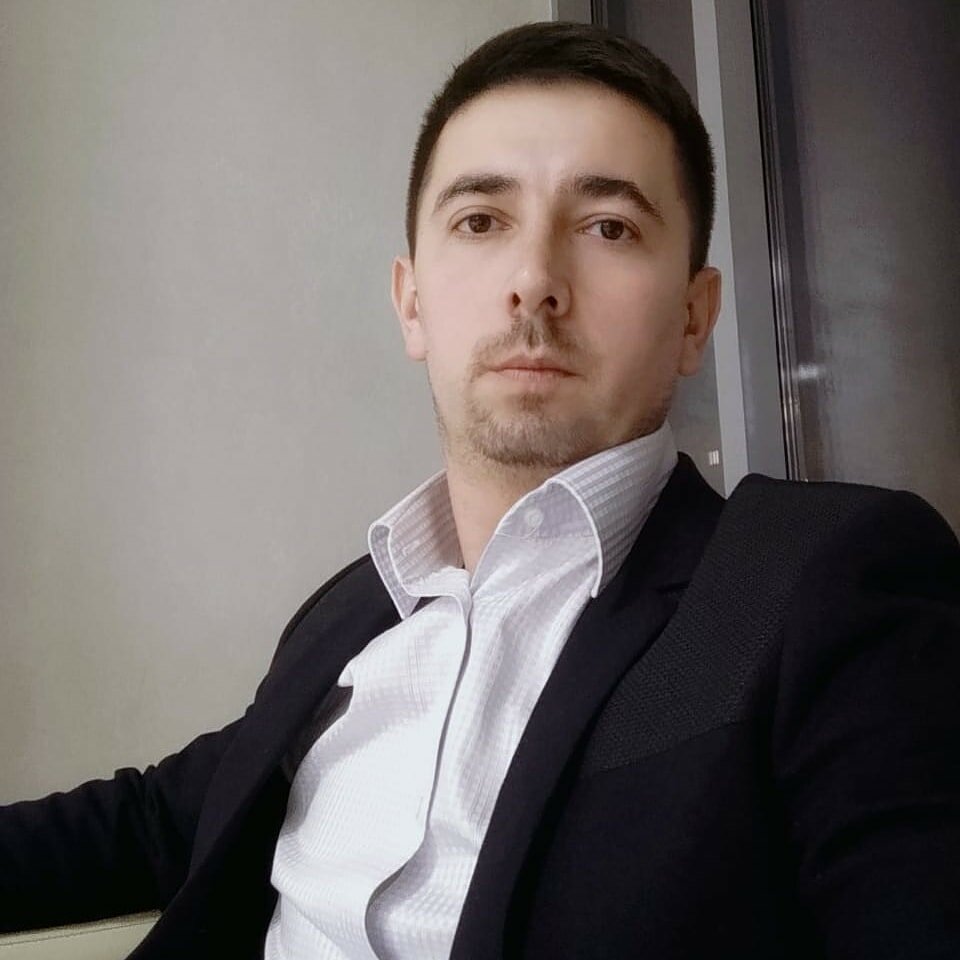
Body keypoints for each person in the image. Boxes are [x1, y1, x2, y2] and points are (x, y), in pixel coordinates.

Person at [2, 20, 958, 960]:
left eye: (609, 227)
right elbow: (164, 816)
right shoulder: (352, 612)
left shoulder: (824, 580)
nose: (534, 281)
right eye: (480, 221)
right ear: (411, 302)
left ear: (694, 318)